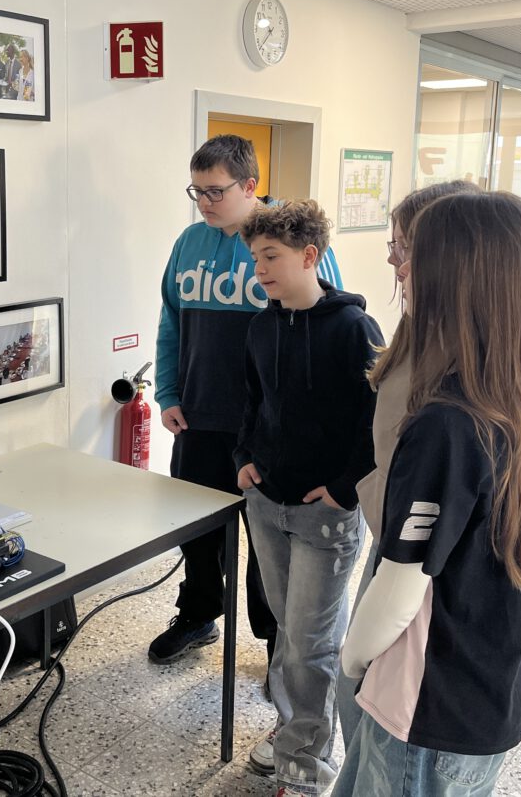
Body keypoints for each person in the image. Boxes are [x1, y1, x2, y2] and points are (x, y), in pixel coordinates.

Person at [334, 192, 521, 795]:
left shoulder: (447, 423)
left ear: (459, 277)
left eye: (419, 256)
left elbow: (401, 586)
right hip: (492, 687)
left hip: (429, 708)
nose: (403, 271)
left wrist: (353, 657)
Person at [149, 135, 344, 672]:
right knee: (197, 530)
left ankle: (276, 640)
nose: (204, 202)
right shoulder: (190, 242)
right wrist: (167, 393)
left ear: (250, 185)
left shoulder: (290, 242)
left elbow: (326, 328)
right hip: (200, 416)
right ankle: (198, 613)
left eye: (215, 191)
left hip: (268, 428)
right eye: (197, 191)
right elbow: (171, 321)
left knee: (268, 544)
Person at [235, 200, 382, 796]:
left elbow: (377, 419)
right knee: (291, 632)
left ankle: (304, 764)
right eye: (255, 258)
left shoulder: (354, 329)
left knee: (310, 643)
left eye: (271, 256)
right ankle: (293, 727)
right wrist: (243, 458)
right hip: (267, 504)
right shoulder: (260, 326)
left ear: (309, 255)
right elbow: (251, 402)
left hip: (325, 514)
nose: (260, 269)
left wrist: (345, 489)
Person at [336, 180, 481, 746]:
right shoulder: (419, 328)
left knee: (377, 709)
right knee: (362, 710)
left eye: (402, 246)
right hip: (397, 534)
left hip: (424, 556)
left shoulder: (461, 385)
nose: (393, 261)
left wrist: (356, 654)